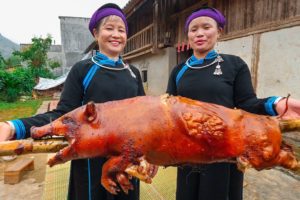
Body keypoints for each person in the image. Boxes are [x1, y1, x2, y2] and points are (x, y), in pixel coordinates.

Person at [0, 3, 145, 200]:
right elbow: (62, 115)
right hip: (90, 159)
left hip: (127, 156)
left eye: (121, 30)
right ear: (96, 33)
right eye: (109, 28)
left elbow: (144, 118)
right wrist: (14, 127)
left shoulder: (133, 74)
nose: (116, 34)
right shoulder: (83, 70)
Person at [166, 6, 300, 200]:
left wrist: (276, 103)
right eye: (193, 29)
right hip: (189, 151)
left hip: (226, 149)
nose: (200, 33)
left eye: (206, 27)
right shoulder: (178, 71)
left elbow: (248, 103)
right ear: (188, 35)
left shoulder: (234, 65)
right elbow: (168, 110)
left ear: (219, 31)